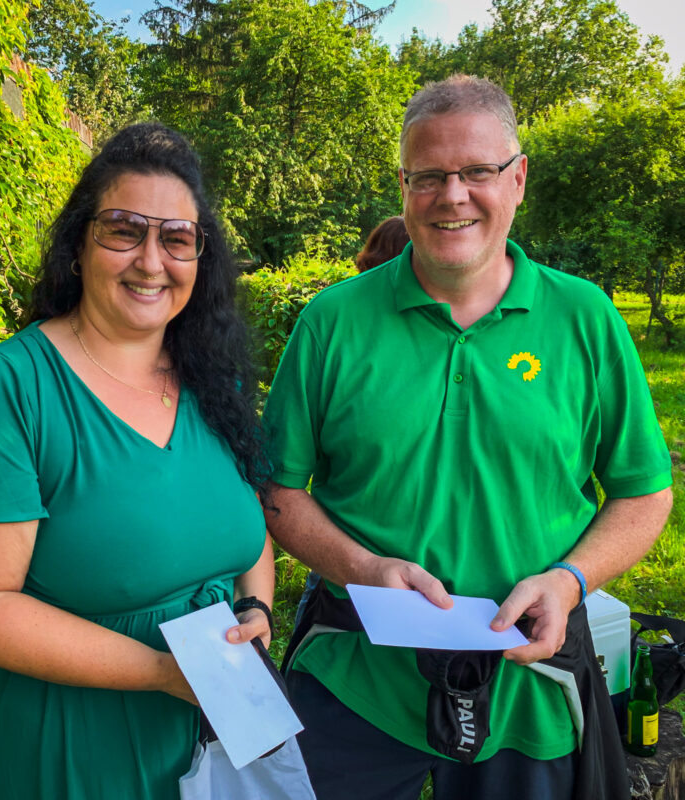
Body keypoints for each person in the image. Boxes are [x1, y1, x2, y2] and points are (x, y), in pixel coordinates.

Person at [262, 75, 673, 800]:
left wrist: (569, 580)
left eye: (477, 171)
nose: (452, 195)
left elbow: (644, 493)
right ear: (403, 186)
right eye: (429, 176)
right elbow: (277, 489)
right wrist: (361, 567)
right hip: (354, 676)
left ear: (517, 179)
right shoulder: (332, 321)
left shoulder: (586, 319)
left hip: (530, 689)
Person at [0, 122, 274, 800]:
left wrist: (259, 610)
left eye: (177, 239)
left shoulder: (215, 381)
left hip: (217, 729)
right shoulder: (6, 388)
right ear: (78, 245)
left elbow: (249, 528)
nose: (152, 261)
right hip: (71, 742)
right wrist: (160, 671)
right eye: (125, 230)